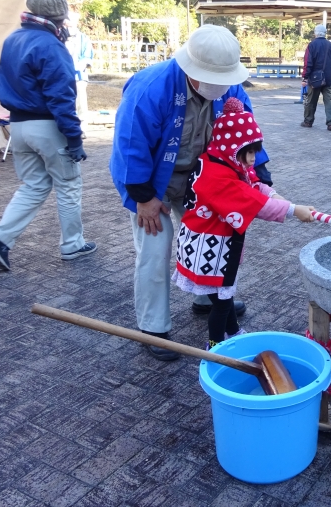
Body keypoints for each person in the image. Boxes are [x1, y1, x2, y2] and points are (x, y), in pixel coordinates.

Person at [110, 25, 272, 361]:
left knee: (212, 240)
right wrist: (143, 196)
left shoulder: (232, 90)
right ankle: (153, 327)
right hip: (151, 181)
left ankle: (205, 297)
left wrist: (260, 173)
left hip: (201, 181)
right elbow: (131, 143)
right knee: (155, 248)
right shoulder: (151, 87)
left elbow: (245, 138)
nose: (221, 85)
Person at [173, 97, 314, 350]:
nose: (252, 159)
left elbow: (253, 186)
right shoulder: (218, 176)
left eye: (254, 151)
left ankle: (233, 331)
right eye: (248, 152)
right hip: (209, 249)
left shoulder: (221, 161)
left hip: (211, 244)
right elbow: (253, 202)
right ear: (231, 146)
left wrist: (275, 194)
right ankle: (216, 348)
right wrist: (294, 210)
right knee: (221, 302)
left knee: (223, 297)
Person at [0, 0, 95, 271]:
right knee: (68, 184)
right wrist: (74, 138)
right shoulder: (50, 45)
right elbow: (61, 97)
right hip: (47, 126)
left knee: (34, 184)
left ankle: (0, 236)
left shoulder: (13, 39)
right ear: (58, 18)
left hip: (18, 126)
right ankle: (72, 244)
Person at [301, 24, 331, 131]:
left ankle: (308, 121)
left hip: (315, 79)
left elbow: (308, 63)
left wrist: (305, 77)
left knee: (311, 101)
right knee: (329, 101)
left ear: (315, 33)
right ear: (325, 33)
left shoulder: (311, 45)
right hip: (328, 79)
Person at [64, 12, 94, 122]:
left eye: (72, 21)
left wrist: (78, 66)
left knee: (81, 100)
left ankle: (82, 127)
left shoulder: (83, 38)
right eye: (68, 20)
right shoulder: (59, 37)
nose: (70, 23)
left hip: (79, 76)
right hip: (63, 75)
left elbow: (87, 56)